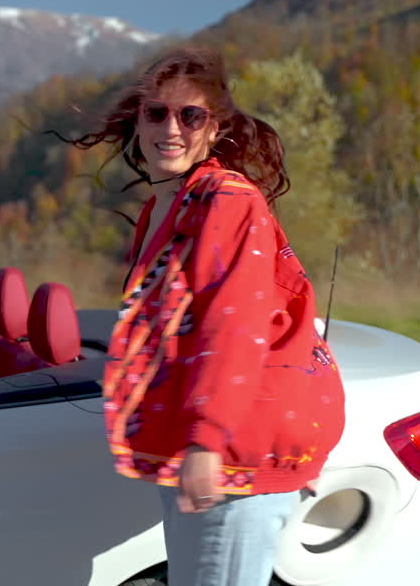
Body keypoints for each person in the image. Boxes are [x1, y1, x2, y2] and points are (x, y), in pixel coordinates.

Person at [68, 46, 345, 586]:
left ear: (214, 130)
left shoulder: (226, 200)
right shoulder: (167, 206)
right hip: (205, 447)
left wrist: (207, 440)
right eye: (157, 113)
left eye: (190, 115)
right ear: (137, 121)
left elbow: (233, 323)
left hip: (231, 450)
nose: (171, 128)